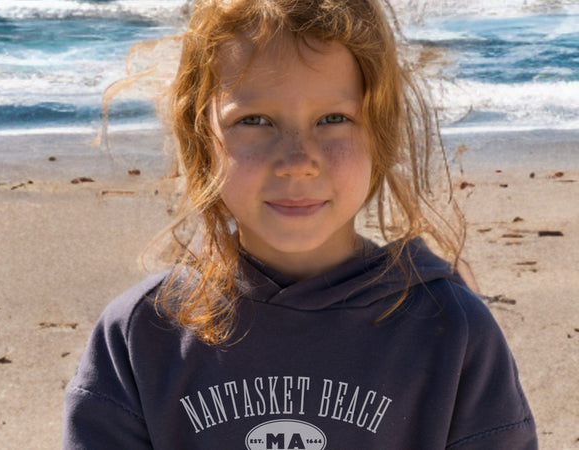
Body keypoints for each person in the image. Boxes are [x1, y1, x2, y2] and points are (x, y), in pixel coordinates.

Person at [63, 0, 537, 448]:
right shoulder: (142, 336)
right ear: (200, 135)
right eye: (254, 120)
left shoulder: (451, 332)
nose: (297, 161)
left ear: (380, 131)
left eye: (333, 118)